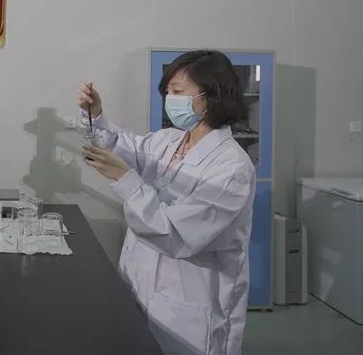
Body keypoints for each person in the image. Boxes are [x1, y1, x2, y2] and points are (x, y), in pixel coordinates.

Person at [78, 50, 255, 355]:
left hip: (190, 309)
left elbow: (173, 234)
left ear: (211, 97)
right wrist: (95, 114)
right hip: (140, 285)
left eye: (178, 92)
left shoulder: (232, 169)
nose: (170, 100)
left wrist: (125, 179)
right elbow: (122, 144)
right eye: (168, 92)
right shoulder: (171, 140)